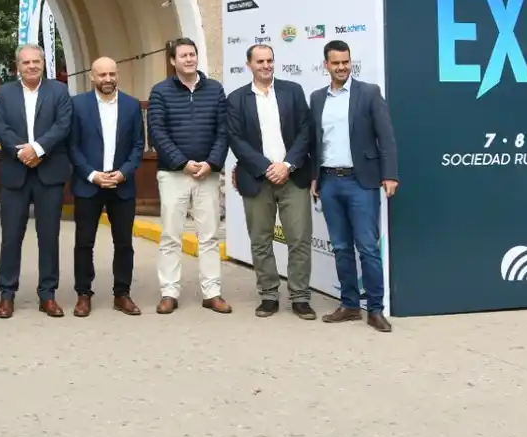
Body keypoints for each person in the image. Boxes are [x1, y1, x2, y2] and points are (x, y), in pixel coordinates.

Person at [309, 40, 398, 333]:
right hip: (330, 182)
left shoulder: (369, 94)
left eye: (345, 62)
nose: (341, 67)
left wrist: (390, 175)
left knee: (368, 248)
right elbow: (316, 143)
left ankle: (375, 309)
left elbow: (386, 138)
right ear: (326, 66)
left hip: (362, 183)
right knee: (342, 247)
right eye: (335, 63)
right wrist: (314, 178)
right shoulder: (318, 98)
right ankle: (348, 304)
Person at [227, 44, 315, 319]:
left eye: (269, 60)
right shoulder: (237, 99)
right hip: (257, 180)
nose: (266, 66)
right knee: (260, 240)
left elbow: (305, 131)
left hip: (293, 177)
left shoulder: (293, 91)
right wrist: (267, 168)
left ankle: (300, 296)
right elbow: (236, 140)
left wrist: (287, 165)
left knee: (299, 239)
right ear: (249, 65)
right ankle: (268, 294)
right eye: (260, 61)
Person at [146, 38, 231, 314]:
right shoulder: (160, 92)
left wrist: (211, 163)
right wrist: (183, 163)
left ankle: (212, 292)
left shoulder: (215, 90)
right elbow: (157, 132)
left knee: (209, 237)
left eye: (192, 54)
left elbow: (223, 131)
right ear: (173, 61)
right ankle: (169, 292)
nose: (189, 59)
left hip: (207, 174)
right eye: (183, 56)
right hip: (173, 175)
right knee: (171, 235)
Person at [0, 43, 73, 318]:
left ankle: (47, 295)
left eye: (36, 62)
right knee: (11, 237)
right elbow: (0, 127)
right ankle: (7, 294)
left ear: (43, 64)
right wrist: (23, 152)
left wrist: (38, 149)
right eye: (26, 62)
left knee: (48, 237)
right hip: (15, 175)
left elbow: (63, 125)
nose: (31, 66)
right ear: (18, 66)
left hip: (48, 172)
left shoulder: (59, 91)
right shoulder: (5, 93)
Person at [67, 56, 145, 316]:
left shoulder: (132, 106)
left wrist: (123, 173)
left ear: (117, 75)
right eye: (102, 75)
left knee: (123, 243)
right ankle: (83, 294)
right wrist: (92, 175)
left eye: (112, 74)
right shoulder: (78, 105)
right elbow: (72, 146)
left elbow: (137, 146)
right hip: (89, 184)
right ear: (92, 77)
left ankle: (122, 294)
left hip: (121, 185)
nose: (108, 79)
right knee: (84, 243)